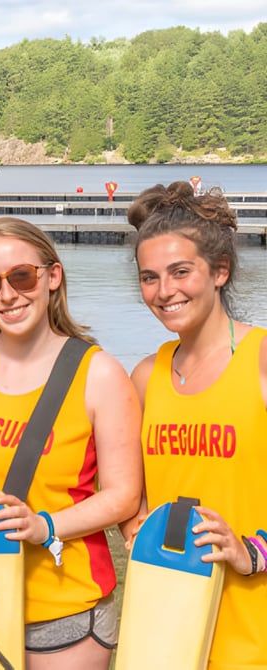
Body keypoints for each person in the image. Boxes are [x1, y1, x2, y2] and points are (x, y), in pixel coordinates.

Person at [0, 216, 142, 669]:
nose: (8, 295)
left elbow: (124, 495)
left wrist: (45, 526)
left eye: (21, 276)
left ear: (52, 276)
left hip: (64, 607)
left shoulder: (98, 373)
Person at [127, 182, 267, 668]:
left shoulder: (261, 360)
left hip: (251, 625)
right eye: (149, 277)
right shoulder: (145, 376)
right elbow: (131, 493)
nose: (164, 291)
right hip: (166, 621)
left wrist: (254, 551)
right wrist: (134, 522)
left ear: (220, 271)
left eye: (180, 271)